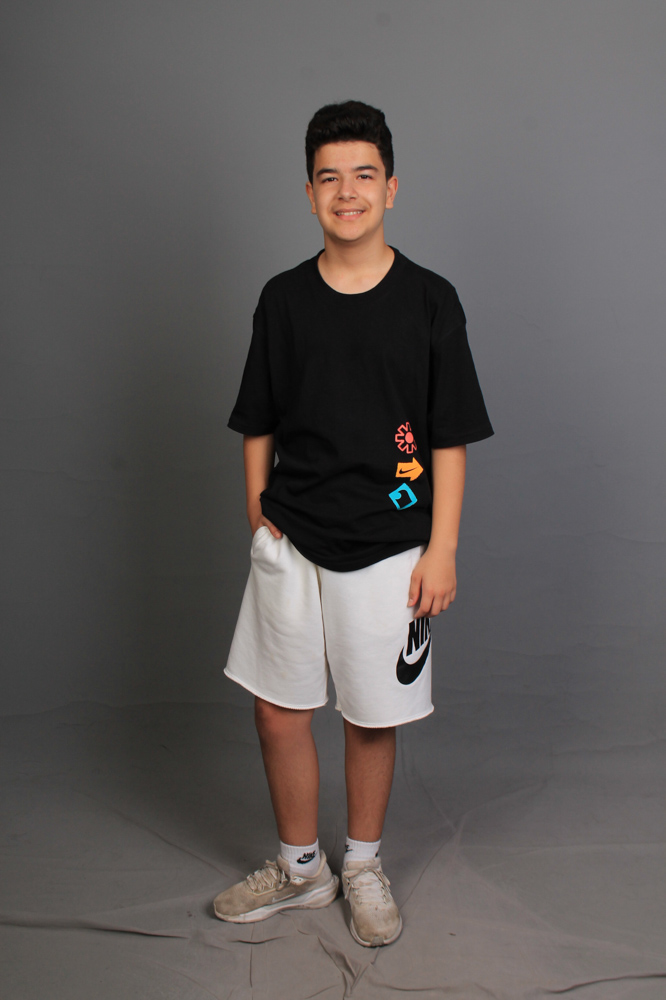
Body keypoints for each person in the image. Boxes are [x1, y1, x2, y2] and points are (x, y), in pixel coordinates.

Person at [213, 100, 493, 947]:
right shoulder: (284, 299)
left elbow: (447, 437)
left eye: (363, 176)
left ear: (391, 188)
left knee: (370, 715)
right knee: (277, 710)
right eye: (329, 178)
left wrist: (442, 548)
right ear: (308, 194)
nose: (347, 193)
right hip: (293, 537)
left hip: (393, 542)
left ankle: (363, 865)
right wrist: (258, 511)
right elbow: (258, 417)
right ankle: (302, 869)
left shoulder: (430, 300)